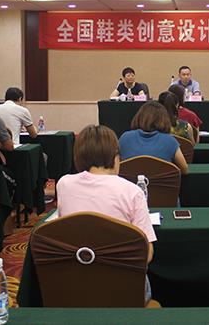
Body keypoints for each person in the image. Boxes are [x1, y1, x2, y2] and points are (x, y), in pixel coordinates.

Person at [56, 125, 156, 303]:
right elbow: (146, 254)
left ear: (78, 156)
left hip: (75, 279)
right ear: (115, 157)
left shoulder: (63, 184)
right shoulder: (132, 191)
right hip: (123, 286)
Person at [118, 101, 188, 174]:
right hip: (161, 181)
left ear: (139, 117)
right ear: (164, 119)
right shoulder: (170, 141)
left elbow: (115, 166)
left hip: (129, 181)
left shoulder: (125, 138)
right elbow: (184, 170)